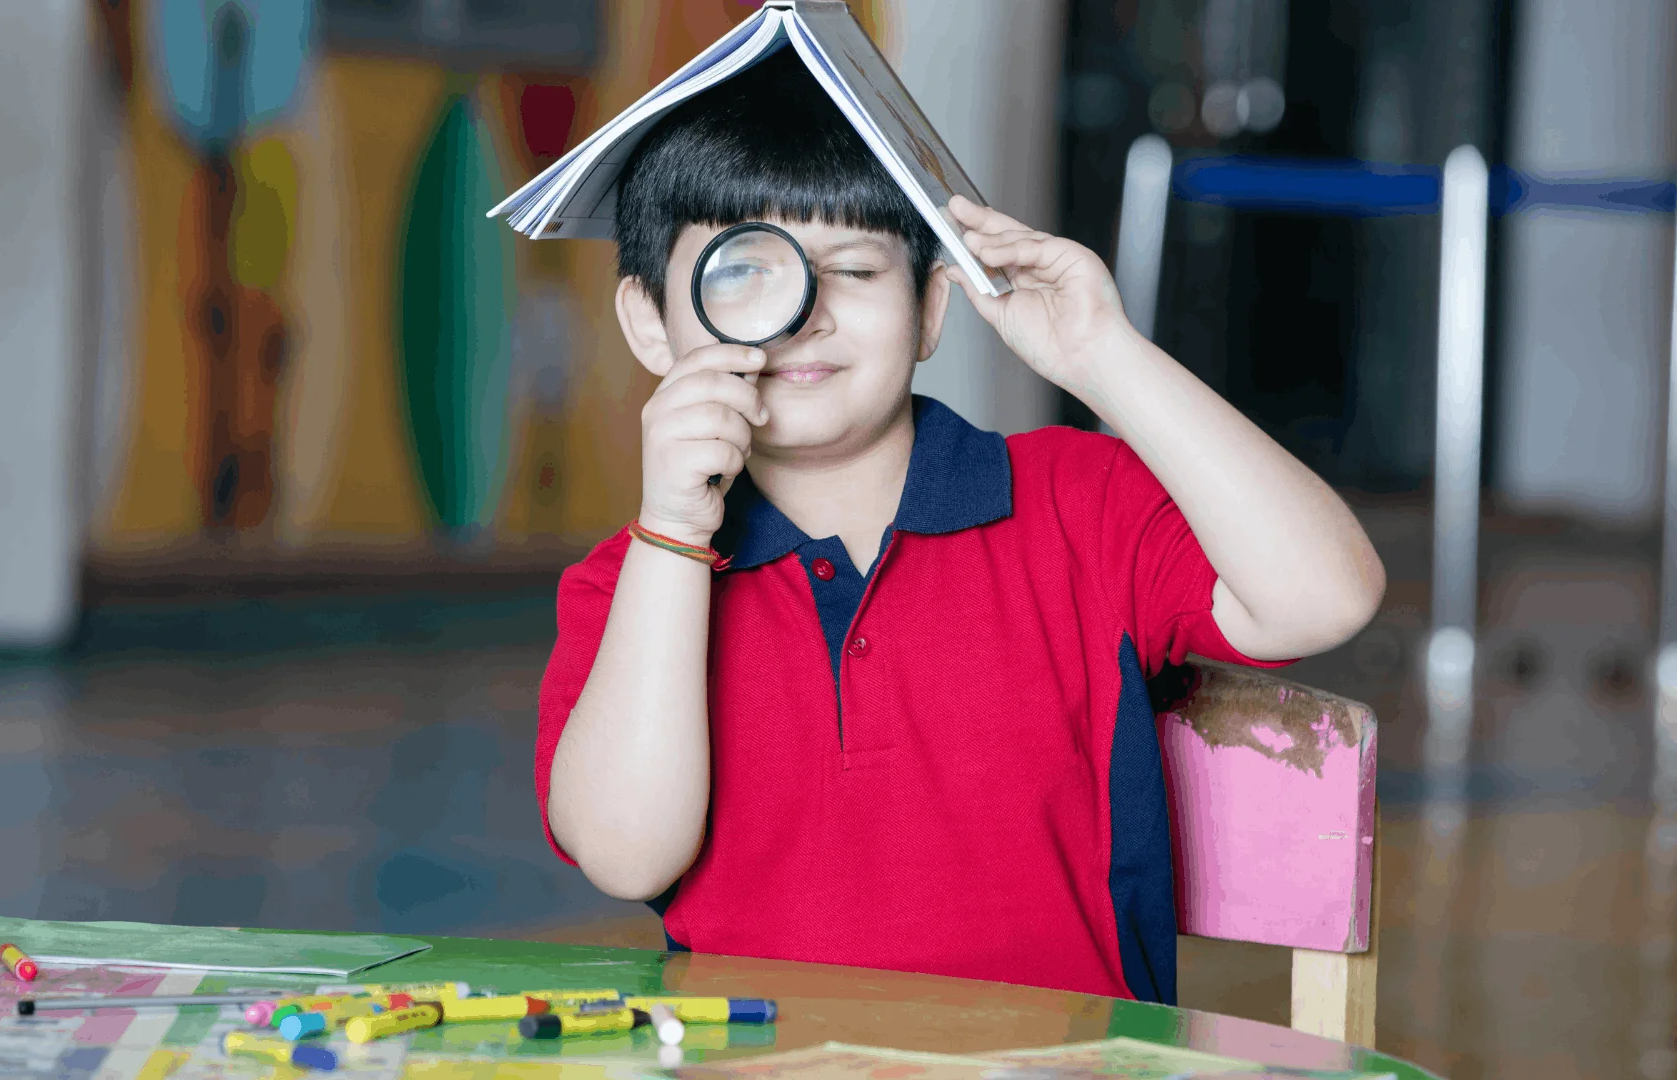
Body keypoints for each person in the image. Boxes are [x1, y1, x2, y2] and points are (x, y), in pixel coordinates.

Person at [534, 49, 1384, 1004]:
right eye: (747, 274)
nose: (804, 318)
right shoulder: (634, 583)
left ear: (931, 309)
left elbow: (1327, 595)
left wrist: (1104, 358)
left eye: (854, 268)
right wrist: (674, 536)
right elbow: (625, 856)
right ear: (652, 324)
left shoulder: (1077, 505)